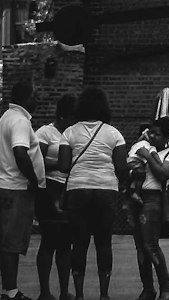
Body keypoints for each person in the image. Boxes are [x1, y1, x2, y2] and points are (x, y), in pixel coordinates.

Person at [57, 85, 128, 300]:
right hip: (106, 190)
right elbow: (121, 168)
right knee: (104, 242)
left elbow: (63, 166)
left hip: (78, 189)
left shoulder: (69, 132)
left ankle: (79, 294)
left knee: (79, 243)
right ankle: (104, 294)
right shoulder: (114, 133)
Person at [0, 78, 46, 300]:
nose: (37, 99)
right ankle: (12, 292)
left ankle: (8, 289)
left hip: (5, 186)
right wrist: (34, 181)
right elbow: (20, 153)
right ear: (24, 97)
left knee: (7, 243)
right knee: (12, 244)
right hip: (16, 188)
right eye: (33, 95)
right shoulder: (19, 122)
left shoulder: (7, 118)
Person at [127, 115, 169, 300]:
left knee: (151, 246)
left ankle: (166, 288)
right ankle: (148, 289)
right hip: (137, 198)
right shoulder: (143, 146)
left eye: (158, 134)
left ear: (167, 137)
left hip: (152, 200)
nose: (153, 136)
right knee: (141, 248)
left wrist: (148, 156)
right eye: (151, 132)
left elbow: (163, 174)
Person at [35, 92, 78, 300]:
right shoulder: (45, 133)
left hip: (68, 190)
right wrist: (61, 164)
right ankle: (45, 291)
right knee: (49, 241)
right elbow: (37, 160)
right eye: (71, 117)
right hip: (50, 189)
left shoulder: (74, 134)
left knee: (65, 244)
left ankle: (63, 291)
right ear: (61, 116)